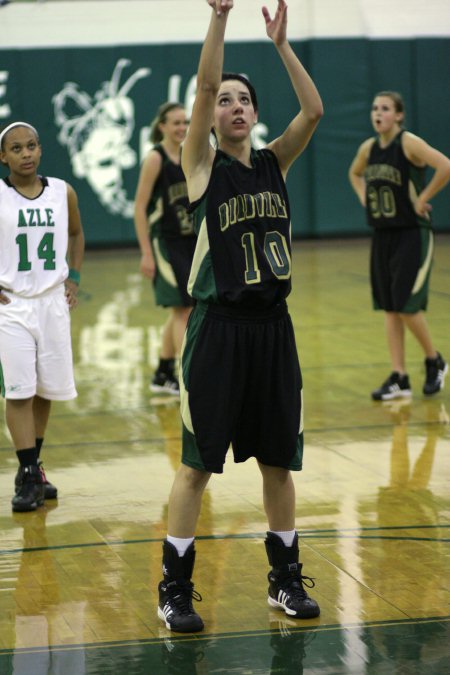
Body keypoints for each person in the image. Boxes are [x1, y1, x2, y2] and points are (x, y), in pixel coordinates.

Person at [157, 0, 323, 633]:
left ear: (254, 112)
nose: (231, 106)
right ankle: (174, 589)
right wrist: (221, 20)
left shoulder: (275, 162)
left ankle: (284, 582)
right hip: (218, 330)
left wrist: (282, 46)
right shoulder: (202, 168)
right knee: (198, 465)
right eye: (224, 100)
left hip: (273, 330)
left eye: (241, 100)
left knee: (279, 460)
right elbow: (201, 87)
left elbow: (314, 112)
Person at [0, 121, 84, 512]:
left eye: (31, 145)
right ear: (4, 157)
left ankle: (32, 468)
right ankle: (30, 473)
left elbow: (77, 234)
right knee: (19, 389)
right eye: (16, 149)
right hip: (12, 305)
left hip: (52, 303)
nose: (26, 153)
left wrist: (75, 276)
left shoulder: (62, 192)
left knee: (46, 388)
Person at [349, 91, 450, 401]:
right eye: (375, 108)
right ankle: (400, 377)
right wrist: (363, 196)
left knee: (406, 305)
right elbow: (354, 173)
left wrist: (423, 198)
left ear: (399, 115)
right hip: (383, 235)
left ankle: (435, 361)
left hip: (411, 234)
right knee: (390, 308)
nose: (378, 113)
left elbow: (445, 165)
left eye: (385, 109)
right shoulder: (368, 148)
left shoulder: (408, 143)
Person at [134, 102, 196, 395]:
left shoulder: (188, 153)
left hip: (189, 241)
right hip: (165, 243)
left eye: (185, 122)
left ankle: (162, 372)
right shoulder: (156, 158)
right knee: (183, 309)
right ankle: (189, 376)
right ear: (162, 126)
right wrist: (146, 252)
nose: (182, 128)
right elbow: (139, 208)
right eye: (176, 123)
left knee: (182, 310)